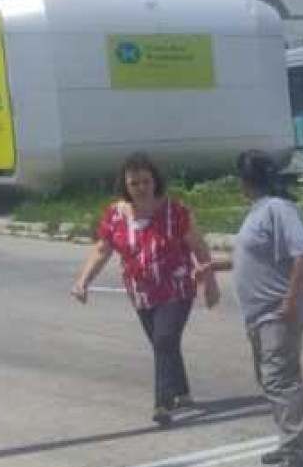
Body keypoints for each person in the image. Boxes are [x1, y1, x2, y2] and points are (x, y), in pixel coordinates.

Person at [71, 153, 219, 427]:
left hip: (176, 289)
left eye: (146, 181)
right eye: (134, 183)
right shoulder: (115, 215)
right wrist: (83, 281)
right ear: (125, 185)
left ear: (155, 181)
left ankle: (163, 403)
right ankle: (182, 390)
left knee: (164, 339)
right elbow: (103, 250)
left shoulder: (175, 212)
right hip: (140, 293)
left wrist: (209, 282)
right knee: (163, 343)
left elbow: (198, 246)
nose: (141, 188)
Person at [212, 151, 303, 467]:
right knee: (271, 380)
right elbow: (252, 258)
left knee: (280, 381)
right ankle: (291, 442)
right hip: (261, 314)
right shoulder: (259, 212)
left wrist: (290, 300)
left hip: (278, 311)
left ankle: (297, 456)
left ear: (247, 180)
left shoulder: (278, 209)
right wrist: (215, 266)